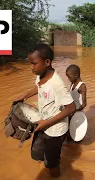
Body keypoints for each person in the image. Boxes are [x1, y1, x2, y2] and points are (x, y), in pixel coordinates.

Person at [14, 43, 76, 177]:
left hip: (55, 130)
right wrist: (24, 95)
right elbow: (39, 86)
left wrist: (47, 123)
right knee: (36, 154)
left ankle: (55, 175)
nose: (31, 67)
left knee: (51, 163)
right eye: (30, 63)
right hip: (42, 122)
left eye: (34, 63)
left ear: (47, 62)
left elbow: (71, 107)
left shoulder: (57, 84)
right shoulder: (40, 74)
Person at [65, 64, 87, 141]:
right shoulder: (72, 83)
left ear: (76, 75)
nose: (68, 79)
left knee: (77, 133)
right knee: (68, 130)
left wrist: (75, 111)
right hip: (71, 111)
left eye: (69, 77)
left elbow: (84, 104)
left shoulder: (82, 86)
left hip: (77, 113)